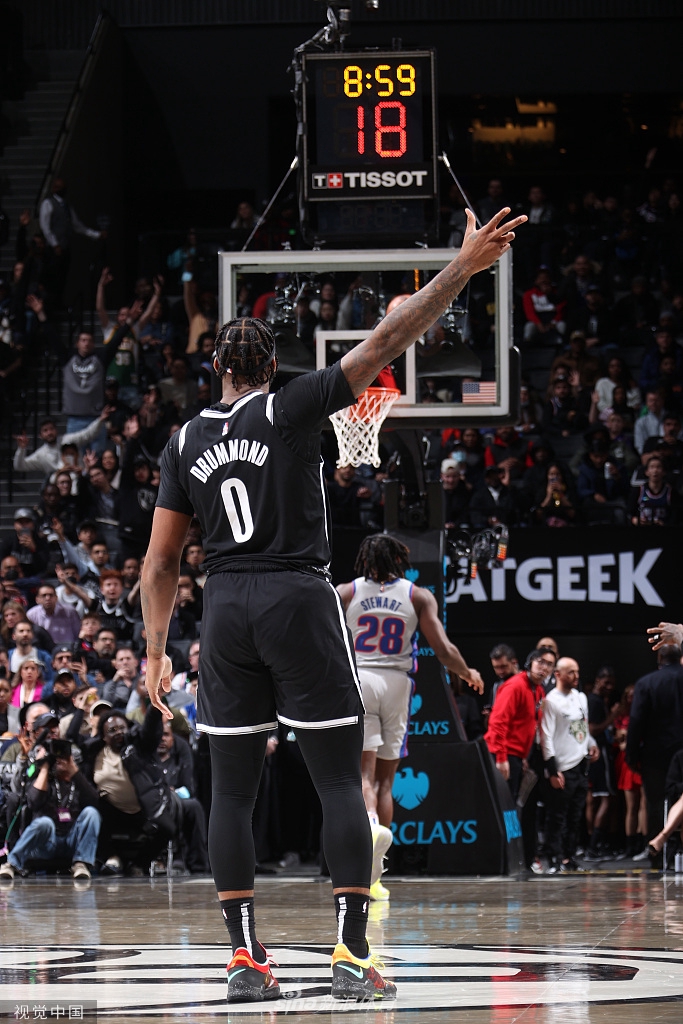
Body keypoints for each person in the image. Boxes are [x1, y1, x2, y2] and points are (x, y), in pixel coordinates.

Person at [141, 206, 525, 1003]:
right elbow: (385, 341)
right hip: (296, 595)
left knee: (232, 792)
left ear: (216, 369)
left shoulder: (183, 441)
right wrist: (461, 268)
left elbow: (161, 561)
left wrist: (152, 652)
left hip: (226, 608)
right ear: (271, 365)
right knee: (339, 784)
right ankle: (350, 956)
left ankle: (245, 960)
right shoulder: (288, 406)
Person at [337, 534, 484, 902]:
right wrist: (467, 673)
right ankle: (376, 875)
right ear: (399, 560)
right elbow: (444, 650)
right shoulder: (417, 595)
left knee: (363, 775)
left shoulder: (346, 592)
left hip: (360, 679)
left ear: (364, 559)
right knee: (387, 780)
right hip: (398, 683)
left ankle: (370, 826)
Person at [540, 657, 599, 873]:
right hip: (562, 766)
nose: (576, 676)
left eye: (577, 671)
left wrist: (591, 744)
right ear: (558, 674)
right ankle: (553, 858)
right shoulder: (551, 701)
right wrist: (552, 769)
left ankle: (569, 856)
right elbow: (546, 736)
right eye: (571, 672)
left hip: (581, 764)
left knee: (575, 817)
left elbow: (582, 726)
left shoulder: (581, 697)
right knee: (557, 816)